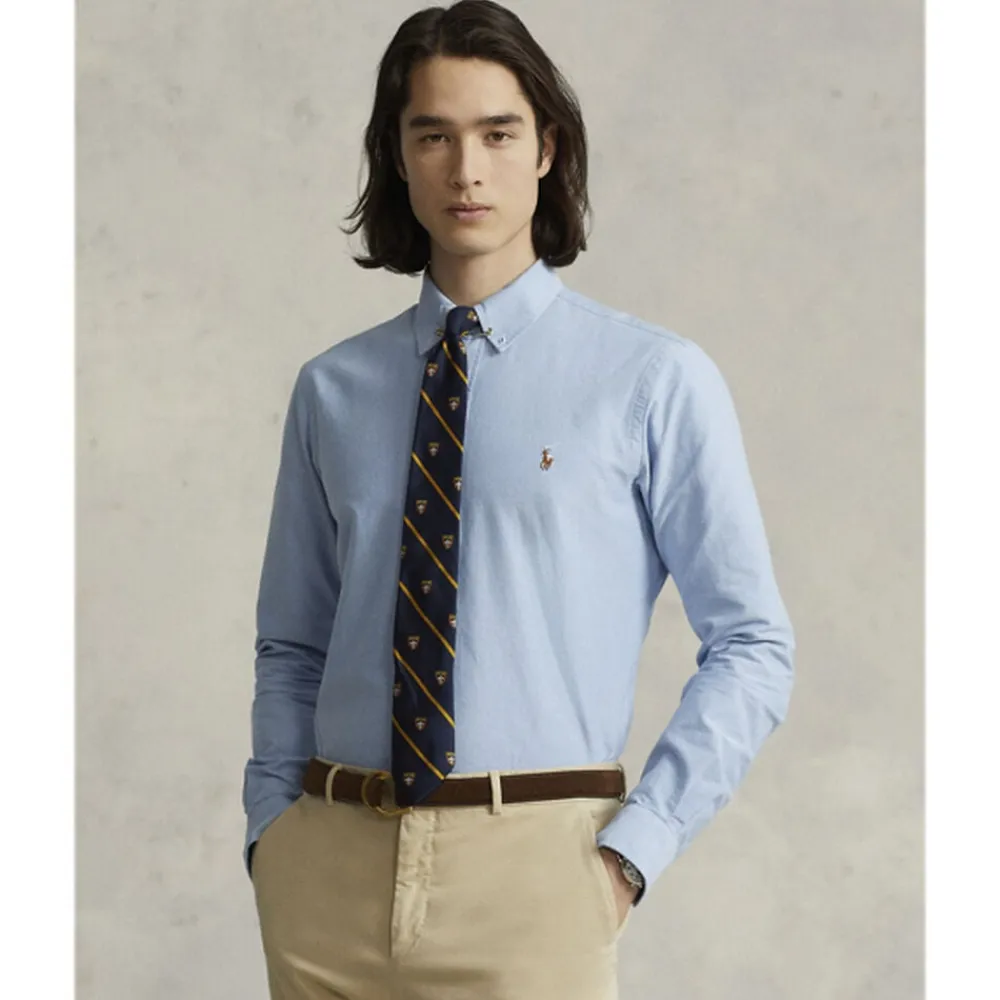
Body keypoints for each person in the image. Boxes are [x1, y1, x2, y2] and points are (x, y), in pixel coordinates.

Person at [241, 1, 796, 997]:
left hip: (537, 876)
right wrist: (272, 834)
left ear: (546, 149)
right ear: (397, 156)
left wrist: (632, 852)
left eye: (497, 134)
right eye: (434, 136)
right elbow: (293, 643)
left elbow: (752, 643)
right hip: (327, 875)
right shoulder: (332, 390)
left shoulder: (649, 379)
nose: (467, 170)